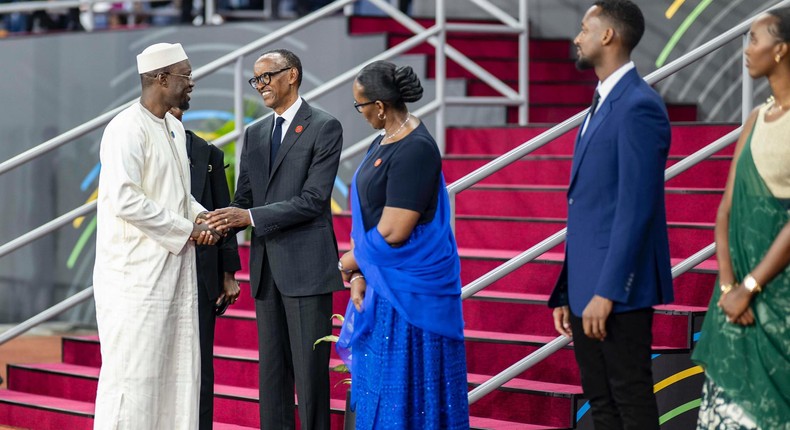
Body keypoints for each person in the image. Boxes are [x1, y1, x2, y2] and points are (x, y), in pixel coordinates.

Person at [547, 2, 673, 429]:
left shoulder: (640, 105)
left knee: (629, 399)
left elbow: (636, 209)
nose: (577, 37)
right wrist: (567, 289)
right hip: (586, 287)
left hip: (619, 291)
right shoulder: (600, 102)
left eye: (585, 28)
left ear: (607, 36)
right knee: (600, 404)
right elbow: (587, 208)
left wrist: (608, 291)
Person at [206, 48, 343, 430]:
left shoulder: (324, 126)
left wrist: (247, 217)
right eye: (256, 79)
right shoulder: (255, 132)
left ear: (292, 75)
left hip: (306, 269)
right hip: (266, 271)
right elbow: (244, 199)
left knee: (311, 378)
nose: (260, 85)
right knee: (272, 377)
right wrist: (211, 222)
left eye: (267, 77)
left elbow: (313, 201)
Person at [335, 61, 469, 429]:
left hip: (413, 293)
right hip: (382, 283)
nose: (360, 113)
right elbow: (367, 212)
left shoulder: (416, 149)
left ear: (379, 106)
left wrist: (349, 261)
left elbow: (394, 230)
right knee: (380, 391)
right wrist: (361, 271)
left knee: (410, 398)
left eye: (360, 105)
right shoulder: (384, 140)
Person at [93, 42, 220, 429]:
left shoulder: (174, 128)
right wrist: (189, 230)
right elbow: (126, 199)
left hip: (173, 272)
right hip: (135, 280)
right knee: (134, 379)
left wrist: (208, 219)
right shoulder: (125, 129)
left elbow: (179, 196)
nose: (191, 83)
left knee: (176, 376)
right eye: (186, 75)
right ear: (161, 79)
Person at [692, 8, 790, 429]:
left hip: (778, 300)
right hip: (735, 303)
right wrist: (730, 286)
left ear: (781, 49)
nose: (746, 50)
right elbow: (726, 210)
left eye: (754, 39)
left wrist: (749, 288)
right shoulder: (753, 119)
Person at [170, 106, 242, 430]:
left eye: (178, 108)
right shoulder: (142, 144)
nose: (173, 112)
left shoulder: (206, 152)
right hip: (161, 272)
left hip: (202, 275)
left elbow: (221, 213)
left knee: (200, 365)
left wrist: (229, 275)